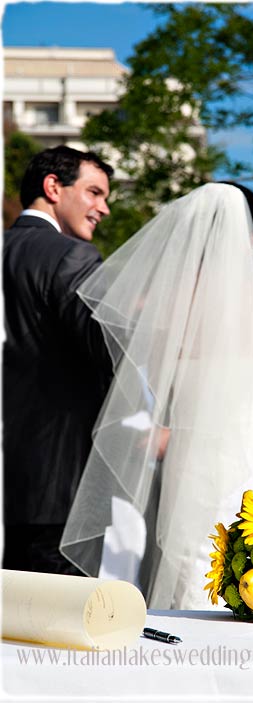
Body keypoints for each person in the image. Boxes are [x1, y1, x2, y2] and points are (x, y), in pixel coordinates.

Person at [61, 182, 253, 609]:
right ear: (249, 239)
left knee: (194, 577)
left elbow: (154, 394)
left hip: (189, 468)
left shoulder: (163, 313)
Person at [3, 145, 114, 574]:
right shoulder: (71, 257)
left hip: (12, 483)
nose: (102, 208)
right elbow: (108, 352)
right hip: (58, 486)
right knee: (57, 633)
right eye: (94, 193)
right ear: (54, 187)